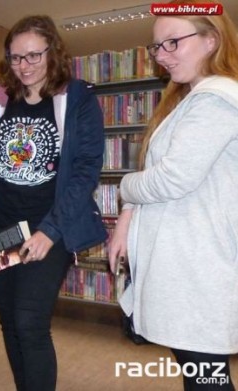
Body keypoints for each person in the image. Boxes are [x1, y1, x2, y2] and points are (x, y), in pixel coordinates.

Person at [0, 15, 107, 391]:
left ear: (53, 53)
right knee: (10, 321)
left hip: (47, 228)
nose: (24, 66)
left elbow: (85, 171)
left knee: (30, 322)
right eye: (15, 57)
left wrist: (51, 230)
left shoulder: (77, 100)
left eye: (33, 56)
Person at [108, 1, 238, 389]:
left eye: (173, 43)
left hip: (201, 265)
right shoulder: (191, 100)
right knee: (200, 374)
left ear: (211, 40)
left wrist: (125, 186)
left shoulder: (215, 98)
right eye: (156, 47)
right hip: (191, 263)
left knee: (206, 378)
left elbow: (171, 179)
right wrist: (129, 212)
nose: (162, 56)